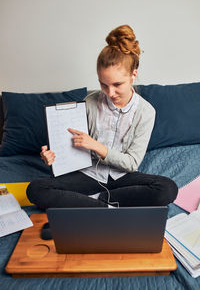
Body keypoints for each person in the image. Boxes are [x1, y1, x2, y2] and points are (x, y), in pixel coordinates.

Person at [26, 24, 178, 209]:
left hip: (123, 177)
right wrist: (52, 158)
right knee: (36, 189)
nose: (110, 92)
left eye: (117, 84)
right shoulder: (89, 103)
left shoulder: (146, 112)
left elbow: (131, 163)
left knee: (167, 189)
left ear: (133, 75)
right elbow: (73, 149)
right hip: (88, 175)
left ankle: (93, 202)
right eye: (103, 85)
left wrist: (97, 146)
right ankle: (103, 207)